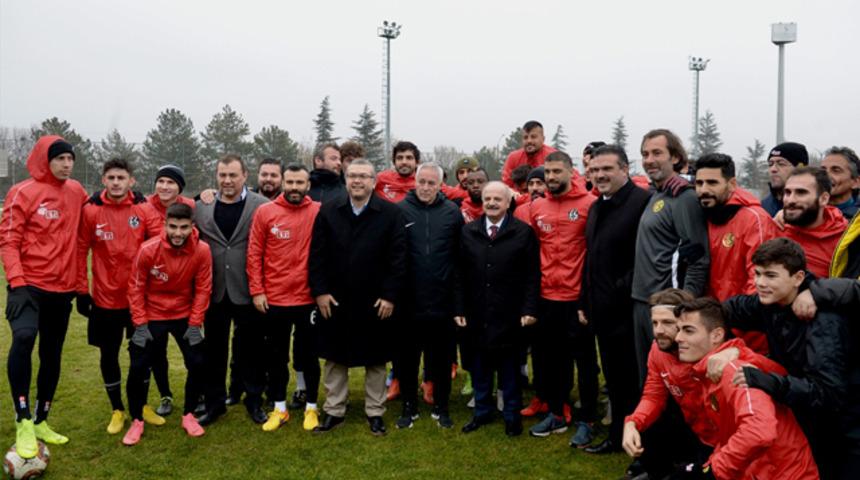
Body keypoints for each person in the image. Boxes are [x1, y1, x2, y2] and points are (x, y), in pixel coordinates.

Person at [720, 238, 857, 479]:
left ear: (797, 278)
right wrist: (695, 317)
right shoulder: (772, 301)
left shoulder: (823, 323)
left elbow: (828, 394)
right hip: (814, 422)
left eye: (770, 275)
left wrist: (770, 382)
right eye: (758, 273)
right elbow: (731, 310)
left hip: (845, 432)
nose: (760, 283)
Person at [1, 136, 88, 458]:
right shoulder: (22, 192)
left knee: (52, 354)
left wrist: (80, 288)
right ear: (44, 159)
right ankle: (22, 419)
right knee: (24, 339)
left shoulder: (77, 192)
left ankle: (41, 420)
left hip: (61, 290)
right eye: (60, 158)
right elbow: (8, 240)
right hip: (29, 287)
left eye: (70, 159)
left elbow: (92, 222)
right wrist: (18, 282)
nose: (67, 164)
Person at [308, 159, 407, 436]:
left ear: (374, 181)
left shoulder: (390, 213)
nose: (358, 181)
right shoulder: (329, 211)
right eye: (352, 176)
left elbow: (398, 258)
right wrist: (320, 292)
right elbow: (317, 255)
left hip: (375, 299)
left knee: (376, 358)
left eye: (364, 176)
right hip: (336, 298)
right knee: (334, 357)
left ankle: (375, 412)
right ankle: (334, 410)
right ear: (345, 179)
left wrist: (390, 295)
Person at [673, 298, 819, 480]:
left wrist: (714, 470)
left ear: (717, 335)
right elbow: (730, 434)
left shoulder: (734, 370)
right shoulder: (709, 373)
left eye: (688, 330)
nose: (678, 338)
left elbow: (760, 431)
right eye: (678, 330)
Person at [76, 159, 162, 435]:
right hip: (105, 299)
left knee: (142, 352)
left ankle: (143, 405)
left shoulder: (143, 208)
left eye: (121, 177)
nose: (116, 182)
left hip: (139, 298)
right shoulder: (90, 211)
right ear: (103, 180)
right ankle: (117, 409)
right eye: (111, 177)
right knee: (108, 354)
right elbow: (80, 251)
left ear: (131, 181)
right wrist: (81, 290)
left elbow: (160, 245)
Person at [579, 145, 651, 455]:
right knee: (615, 379)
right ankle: (616, 435)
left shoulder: (642, 203)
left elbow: (642, 260)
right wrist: (586, 298)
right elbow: (592, 257)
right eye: (594, 170)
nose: (599, 175)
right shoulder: (597, 207)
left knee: (636, 381)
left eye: (606, 169)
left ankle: (642, 442)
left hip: (629, 311)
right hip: (602, 312)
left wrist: (617, 294)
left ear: (624, 168)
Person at [524, 151, 599, 446]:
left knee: (586, 361)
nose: (552, 178)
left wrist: (586, 298)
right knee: (551, 359)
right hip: (546, 297)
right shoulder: (537, 206)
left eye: (557, 172)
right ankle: (557, 412)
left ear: (571, 172)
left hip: (577, 299)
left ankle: (588, 418)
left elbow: (596, 253)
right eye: (548, 173)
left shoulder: (589, 205)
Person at [122, 203, 212, 445]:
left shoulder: (202, 250)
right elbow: (135, 288)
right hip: (152, 315)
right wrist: (140, 325)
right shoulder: (148, 249)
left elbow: (203, 289)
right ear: (165, 225)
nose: (178, 233)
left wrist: (195, 324)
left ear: (192, 227)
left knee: (197, 362)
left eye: (184, 227)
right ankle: (137, 420)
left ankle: (189, 414)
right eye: (173, 227)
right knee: (138, 366)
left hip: (184, 314)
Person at [456, 181, 540, 437]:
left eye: (497, 199)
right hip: (476, 311)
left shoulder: (523, 232)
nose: (492, 203)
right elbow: (458, 274)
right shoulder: (468, 231)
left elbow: (531, 275)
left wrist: (529, 308)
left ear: (507, 203)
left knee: (509, 368)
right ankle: (481, 411)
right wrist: (458, 307)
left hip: (510, 313)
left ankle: (511, 415)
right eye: (487, 198)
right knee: (480, 366)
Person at [194, 154, 269, 426]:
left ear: (245, 176)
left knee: (251, 351)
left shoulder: (262, 206)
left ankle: (254, 401)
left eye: (232, 175)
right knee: (214, 352)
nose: (227, 180)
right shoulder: (201, 206)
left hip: (249, 289)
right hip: (213, 291)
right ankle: (215, 404)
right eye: (222, 175)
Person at [246, 164, 323, 431]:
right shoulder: (265, 212)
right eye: (289, 182)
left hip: (307, 300)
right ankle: (279, 408)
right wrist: (257, 290)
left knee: (309, 356)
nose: (293, 187)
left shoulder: (318, 212)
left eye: (299, 183)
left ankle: (312, 407)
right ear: (283, 183)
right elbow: (254, 254)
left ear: (308, 185)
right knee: (276, 357)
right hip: (275, 300)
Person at [631, 129, 710, 386]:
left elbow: (698, 257)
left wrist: (683, 308)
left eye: (657, 153)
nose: (649, 159)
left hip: (668, 307)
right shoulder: (657, 195)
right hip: (643, 303)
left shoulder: (684, 198)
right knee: (649, 380)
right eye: (645, 154)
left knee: (673, 384)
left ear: (675, 157)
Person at [395, 162, 464, 429]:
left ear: (440, 184)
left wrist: (457, 300)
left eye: (431, 183)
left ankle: (441, 406)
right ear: (415, 181)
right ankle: (408, 407)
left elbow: (459, 258)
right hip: (408, 302)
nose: (425, 187)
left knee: (441, 358)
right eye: (421, 182)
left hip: (442, 301)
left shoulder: (451, 212)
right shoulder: (400, 210)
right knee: (407, 359)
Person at [694, 153, 777, 353]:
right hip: (713, 328)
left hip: (748, 335)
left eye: (712, 182)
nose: (704, 190)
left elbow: (760, 281)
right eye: (699, 183)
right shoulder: (702, 216)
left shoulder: (754, 219)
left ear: (732, 184)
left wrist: (736, 325)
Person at [143, 164, 195, 416]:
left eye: (171, 182)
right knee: (156, 353)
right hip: (153, 299)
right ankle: (165, 394)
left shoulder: (192, 207)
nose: (164, 186)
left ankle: (199, 394)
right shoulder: (142, 208)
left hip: (185, 299)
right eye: (161, 181)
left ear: (179, 188)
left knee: (193, 352)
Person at [780, 166, 847, 278]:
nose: (791, 200)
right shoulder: (775, 229)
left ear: (824, 199)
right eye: (787, 192)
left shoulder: (844, 242)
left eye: (801, 193)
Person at [501, 120, 557, 188]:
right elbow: (506, 185)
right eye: (525, 137)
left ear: (543, 139)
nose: (529, 141)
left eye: (533, 137)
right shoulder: (513, 158)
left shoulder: (554, 156)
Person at [762, 142, 808, 217]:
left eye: (781, 164)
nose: (773, 169)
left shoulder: (816, 207)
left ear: (800, 168)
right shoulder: (762, 207)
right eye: (770, 164)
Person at [822, 146, 860, 220]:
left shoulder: (857, 221)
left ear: (856, 182)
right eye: (822, 170)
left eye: (836, 170)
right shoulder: (806, 212)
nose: (825, 176)